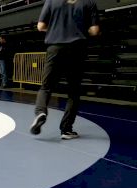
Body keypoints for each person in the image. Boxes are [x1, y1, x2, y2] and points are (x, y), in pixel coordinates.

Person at [30, 0, 100, 140]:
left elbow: (40, 26)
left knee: (46, 87)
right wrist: (79, 29)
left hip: (55, 47)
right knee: (73, 92)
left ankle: (40, 112)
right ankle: (66, 129)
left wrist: (56, 28)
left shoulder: (51, 1)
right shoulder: (89, 2)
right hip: (77, 49)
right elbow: (95, 30)